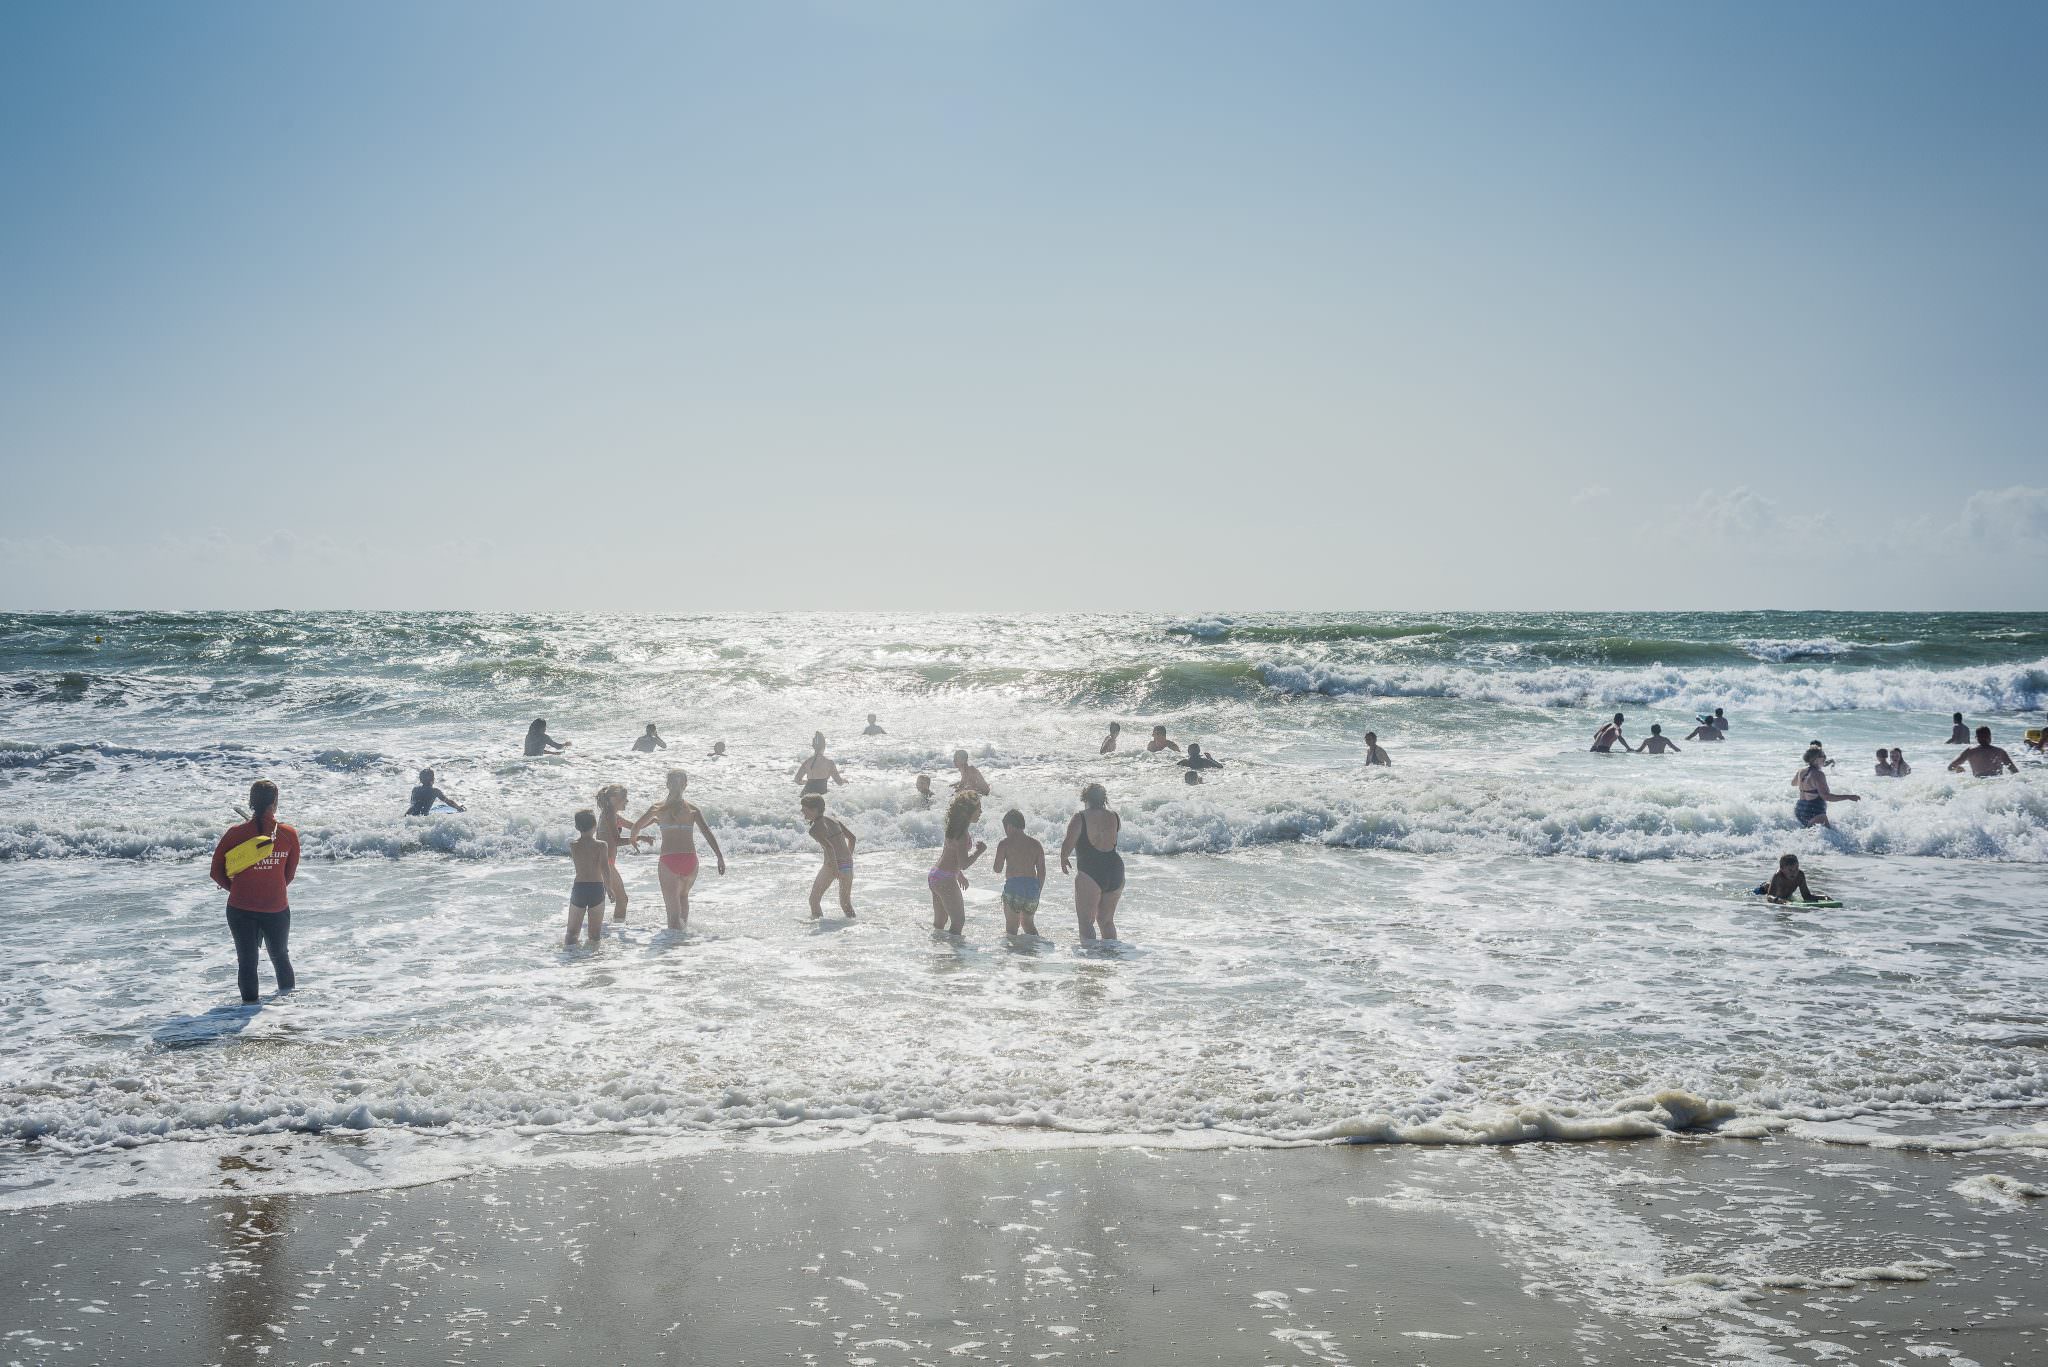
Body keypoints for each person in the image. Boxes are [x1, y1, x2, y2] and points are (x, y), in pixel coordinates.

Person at [209, 779, 300, 1004]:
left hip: (240, 909)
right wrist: (271, 890)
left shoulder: (235, 834)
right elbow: (288, 875)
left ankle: (247, 1015)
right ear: (275, 802)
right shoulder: (288, 834)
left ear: (251, 803)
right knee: (280, 957)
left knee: (247, 962)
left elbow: (216, 871)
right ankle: (291, 1013)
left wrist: (239, 890)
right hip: (276, 908)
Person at [630, 770, 727, 931]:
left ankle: (673, 950)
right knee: (683, 897)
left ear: (667, 785)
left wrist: (633, 840)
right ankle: (683, 947)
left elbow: (635, 827)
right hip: (690, 861)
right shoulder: (693, 809)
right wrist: (719, 856)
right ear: (686, 785)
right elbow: (707, 833)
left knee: (672, 918)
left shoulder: (657, 808)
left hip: (669, 861)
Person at [1061, 782, 1124, 942]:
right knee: (1106, 921)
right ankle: (1111, 958)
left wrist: (1063, 858)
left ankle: (1089, 963)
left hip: (1091, 869)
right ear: (1104, 799)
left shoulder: (1080, 817)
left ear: (1085, 798)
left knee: (1086, 922)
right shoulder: (1114, 816)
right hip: (1115, 869)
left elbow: (1068, 843)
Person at [927, 792, 987, 934]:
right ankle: (955, 955)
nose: (981, 812)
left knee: (940, 922)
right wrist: (979, 852)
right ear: (968, 812)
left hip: (935, 875)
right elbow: (964, 863)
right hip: (946, 879)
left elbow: (949, 855)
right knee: (958, 921)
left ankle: (937, 950)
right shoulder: (963, 835)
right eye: (979, 809)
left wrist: (959, 875)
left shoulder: (952, 828)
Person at [801, 794, 857, 919]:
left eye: (804, 809)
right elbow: (852, 839)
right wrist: (847, 858)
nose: (802, 811)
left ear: (814, 810)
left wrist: (836, 868)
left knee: (814, 900)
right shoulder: (834, 819)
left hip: (832, 865)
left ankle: (819, 929)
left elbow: (829, 848)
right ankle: (854, 925)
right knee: (846, 904)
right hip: (848, 863)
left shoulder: (814, 829)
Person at [992, 809, 1045, 936]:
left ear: (1009, 826)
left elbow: (997, 869)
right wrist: (1038, 890)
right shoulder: (1036, 844)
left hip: (1014, 887)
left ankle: (1012, 956)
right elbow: (1042, 872)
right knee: (1028, 924)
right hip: (1032, 888)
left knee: (1011, 929)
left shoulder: (1005, 843)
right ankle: (1034, 950)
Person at [594, 783, 637, 920]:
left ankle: (605, 929)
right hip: (605, 862)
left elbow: (635, 826)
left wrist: (654, 819)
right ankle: (617, 929)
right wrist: (637, 838)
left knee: (605, 898)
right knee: (622, 899)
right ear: (615, 799)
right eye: (625, 797)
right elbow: (616, 841)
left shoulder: (612, 815)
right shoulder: (610, 814)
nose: (627, 801)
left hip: (603, 861)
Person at [565, 809, 608, 946]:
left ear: (577, 827)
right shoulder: (601, 845)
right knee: (594, 935)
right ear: (595, 825)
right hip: (597, 889)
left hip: (579, 889)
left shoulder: (573, 845)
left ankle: (570, 956)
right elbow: (605, 868)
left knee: (572, 933)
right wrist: (610, 889)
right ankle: (593, 961)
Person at [1793, 747, 1858, 828]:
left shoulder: (1801, 771)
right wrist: (1848, 797)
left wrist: (1807, 785)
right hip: (1814, 809)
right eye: (1823, 756)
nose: (1825, 758)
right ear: (1816, 759)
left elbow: (1794, 783)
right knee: (1830, 838)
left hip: (1800, 808)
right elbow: (1826, 796)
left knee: (1811, 837)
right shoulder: (1818, 774)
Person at [1754, 853, 1826, 904]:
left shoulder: (1800, 875)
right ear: (1782, 869)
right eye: (1790, 870)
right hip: (1762, 891)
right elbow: (1769, 897)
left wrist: (1823, 897)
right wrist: (1777, 900)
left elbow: (1806, 896)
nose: (1794, 873)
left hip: (1785, 897)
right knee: (1766, 886)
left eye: (1796, 869)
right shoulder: (1778, 876)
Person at [1948, 727, 2018, 777]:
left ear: (1977, 738)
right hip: (1997, 785)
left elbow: (1951, 767)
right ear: (1990, 737)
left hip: (1979, 787)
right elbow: (2014, 771)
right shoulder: (2000, 751)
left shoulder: (1970, 751)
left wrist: (1959, 769)